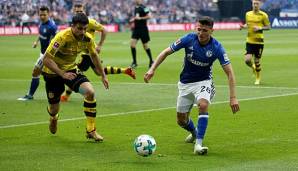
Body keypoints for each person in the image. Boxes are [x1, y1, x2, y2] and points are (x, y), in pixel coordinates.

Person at [144, 16, 240, 155]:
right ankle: (195, 133)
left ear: (212, 31)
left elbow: (230, 73)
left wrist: (233, 97)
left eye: (205, 31)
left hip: (204, 81)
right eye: (199, 29)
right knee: (181, 121)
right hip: (185, 84)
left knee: (203, 105)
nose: (201, 33)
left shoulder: (217, 47)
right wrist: (152, 69)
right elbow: (166, 52)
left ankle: (199, 145)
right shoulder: (188, 39)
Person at [42, 13, 109, 141]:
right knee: (54, 108)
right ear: (72, 26)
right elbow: (46, 59)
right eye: (79, 28)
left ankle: (91, 130)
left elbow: (94, 56)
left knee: (89, 92)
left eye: (85, 28)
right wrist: (62, 74)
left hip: (71, 70)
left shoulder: (87, 39)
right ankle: (53, 117)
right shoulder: (62, 37)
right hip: (52, 73)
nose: (82, 31)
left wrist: (103, 75)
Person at [60, 3, 135, 102]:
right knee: (98, 72)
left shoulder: (90, 22)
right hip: (87, 52)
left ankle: (66, 96)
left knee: (76, 73)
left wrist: (100, 45)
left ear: (84, 11)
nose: (79, 13)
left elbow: (104, 30)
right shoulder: (76, 23)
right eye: (77, 11)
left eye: (80, 11)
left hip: (88, 53)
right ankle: (125, 70)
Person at [18, 6, 57, 101]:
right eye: (41, 14)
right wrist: (36, 42)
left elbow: (54, 43)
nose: (42, 16)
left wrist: (47, 57)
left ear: (49, 14)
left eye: (44, 15)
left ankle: (30, 95)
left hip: (47, 55)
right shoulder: (41, 24)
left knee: (35, 72)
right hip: (43, 54)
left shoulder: (52, 27)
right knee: (49, 75)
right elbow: (40, 35)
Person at [240, 0, 270, 85]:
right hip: (249, 41)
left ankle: (258, 78)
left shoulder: (263, 15)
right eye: (254, 3)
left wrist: (260, 28)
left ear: (259, 5)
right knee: (247, 60)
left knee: (257, 61)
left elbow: (268, 27)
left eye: (257, 4)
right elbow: (248, 24)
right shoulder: (248, 14)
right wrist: (243, 26)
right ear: (252, 4)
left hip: (259, 42)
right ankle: (253, 68)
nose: (255, 5)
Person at [130, 0, 153, 68]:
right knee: (132, 44)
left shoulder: (144, 7)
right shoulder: (136, 8)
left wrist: (140, 18)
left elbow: (149, 16)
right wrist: (134, 19)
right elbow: (137, 17)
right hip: (136, 29)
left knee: (145, 46)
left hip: (143, 29)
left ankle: (151, 60)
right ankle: (134, 62)